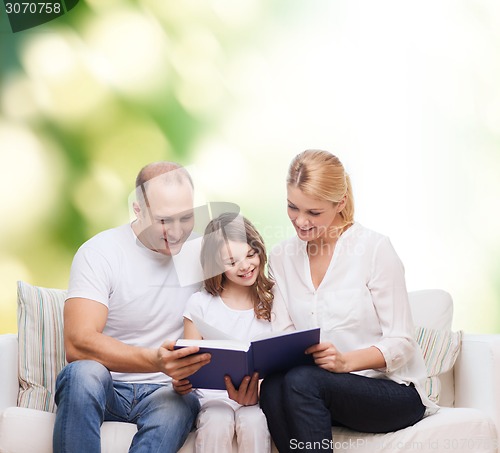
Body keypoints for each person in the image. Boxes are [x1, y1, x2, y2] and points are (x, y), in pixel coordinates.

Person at [259, 150, 438, 452]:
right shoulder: (281, 257)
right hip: (316, 387)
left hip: (391, 391)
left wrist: (344, 362)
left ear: (340, 203)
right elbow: (284, 334)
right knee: (274, 386)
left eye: (313, 213)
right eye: (292, 207)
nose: (300, 221)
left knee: (303, 380)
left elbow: (402, 341)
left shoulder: (373, 248)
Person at [53, 162, 211, 453]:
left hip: (167, 391)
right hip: (107, 386)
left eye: (186, 218)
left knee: (179, 404)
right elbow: (78, 344)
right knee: (83, 374)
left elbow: (247, 304)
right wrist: (155, 360)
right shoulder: (101, 252)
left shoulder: (204, 254)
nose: (176, 232)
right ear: (138, 209)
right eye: (164, 220)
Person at [174, 212, 274, 453]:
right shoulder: (200, 304)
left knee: (254, 421)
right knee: (217, 420)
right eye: (231, 262)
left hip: (257, 398)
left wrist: (258, 392)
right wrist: (180, 382)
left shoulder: (273, 300)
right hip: (213, 399)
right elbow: (186, 362)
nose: (245, 266)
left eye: (251, 254)